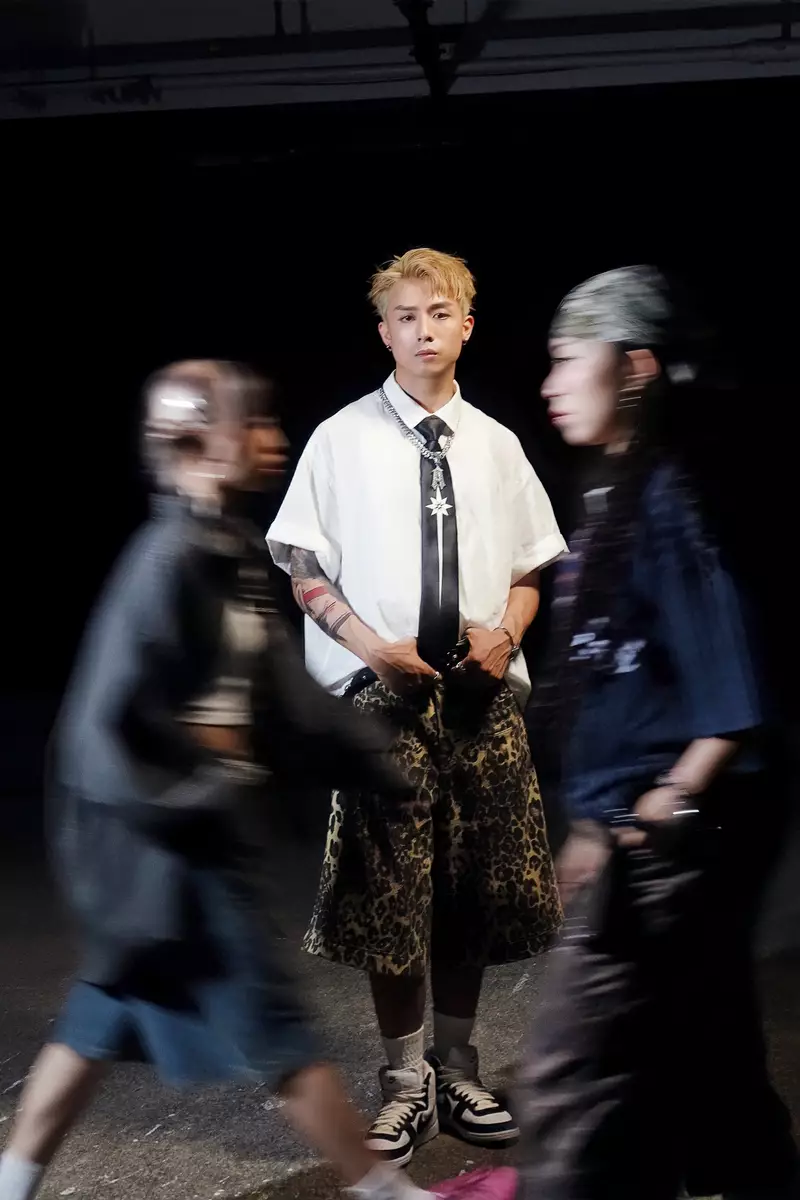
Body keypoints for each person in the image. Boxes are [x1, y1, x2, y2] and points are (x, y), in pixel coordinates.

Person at [0, 360, 436, 1200]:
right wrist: (207, 789)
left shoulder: (224, 552)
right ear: (197, 442)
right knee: (277, 1026)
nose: (273, 438)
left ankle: (9, 1184)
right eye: (253, 423)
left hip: (185, 838)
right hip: (167, 851)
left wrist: (381, 768)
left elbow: (282, 698)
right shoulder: (164, 564)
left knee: (100, 1016)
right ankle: (385, 1191)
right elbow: (99, 738)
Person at [267, 248, 567, 1168]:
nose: (423, 329)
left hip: (479, 693)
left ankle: (459, 1065)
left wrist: (505, 637)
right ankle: (405, 1082)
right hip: (382, 694)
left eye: (440, 313)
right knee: (390, 895)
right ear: (384, 331)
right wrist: (371, 649)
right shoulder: (340, 438)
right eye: (406, 315)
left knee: (473, 889)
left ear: (466, 326)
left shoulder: (497, 444)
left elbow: (529, 567)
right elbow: (303, 567)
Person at [514, 267, 799, 1200]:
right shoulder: (617, 494)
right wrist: (590, 820)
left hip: (669, 845)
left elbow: (732, 691)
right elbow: (617, 677)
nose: (550, 384)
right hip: (640, 832)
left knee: (568, 1084)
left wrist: (658, 808)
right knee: (707, 1054)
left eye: (568, 361)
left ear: (634, 368)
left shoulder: (676, 499)